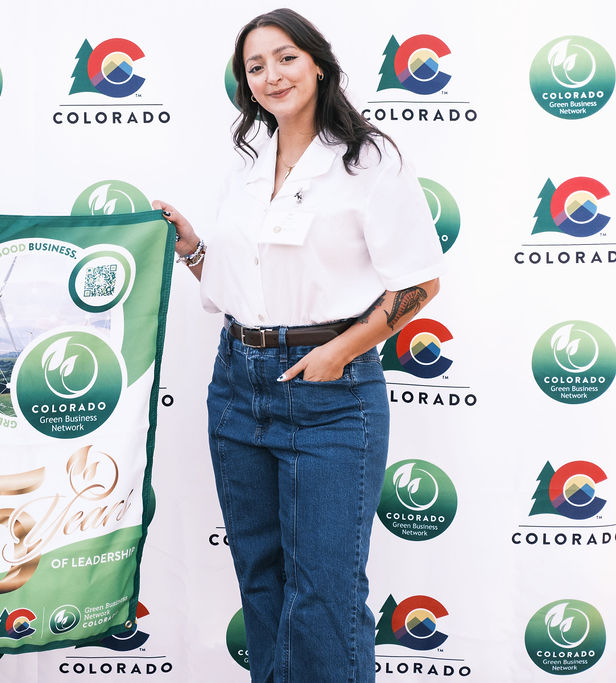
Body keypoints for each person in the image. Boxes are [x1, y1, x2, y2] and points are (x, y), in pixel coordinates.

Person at [153, 9, 442, 683]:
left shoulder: (369, 160)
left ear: (318, 63)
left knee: (324, 595)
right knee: (261, 580)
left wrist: (339, 353)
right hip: (236, 385)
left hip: (330, 392)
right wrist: (193, 249)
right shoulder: (247, 165)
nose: (271, 75)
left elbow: (419, 282)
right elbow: (241, 286)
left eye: (285, 58)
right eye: (255, 67)